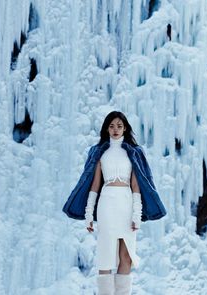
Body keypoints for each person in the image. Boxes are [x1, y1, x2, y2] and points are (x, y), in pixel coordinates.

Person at [62, 111, 166, 295]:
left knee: (126, 256)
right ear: (106, 128)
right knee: (105, 255)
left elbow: (136, 185)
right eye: (111, 126)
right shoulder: (100, 152)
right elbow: (94, 185)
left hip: (126, 203)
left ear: (125, 127)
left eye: (119, 125)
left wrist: (137, 214)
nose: (115, 129)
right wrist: (88, 214)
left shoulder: (134, 152)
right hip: (107, 204)